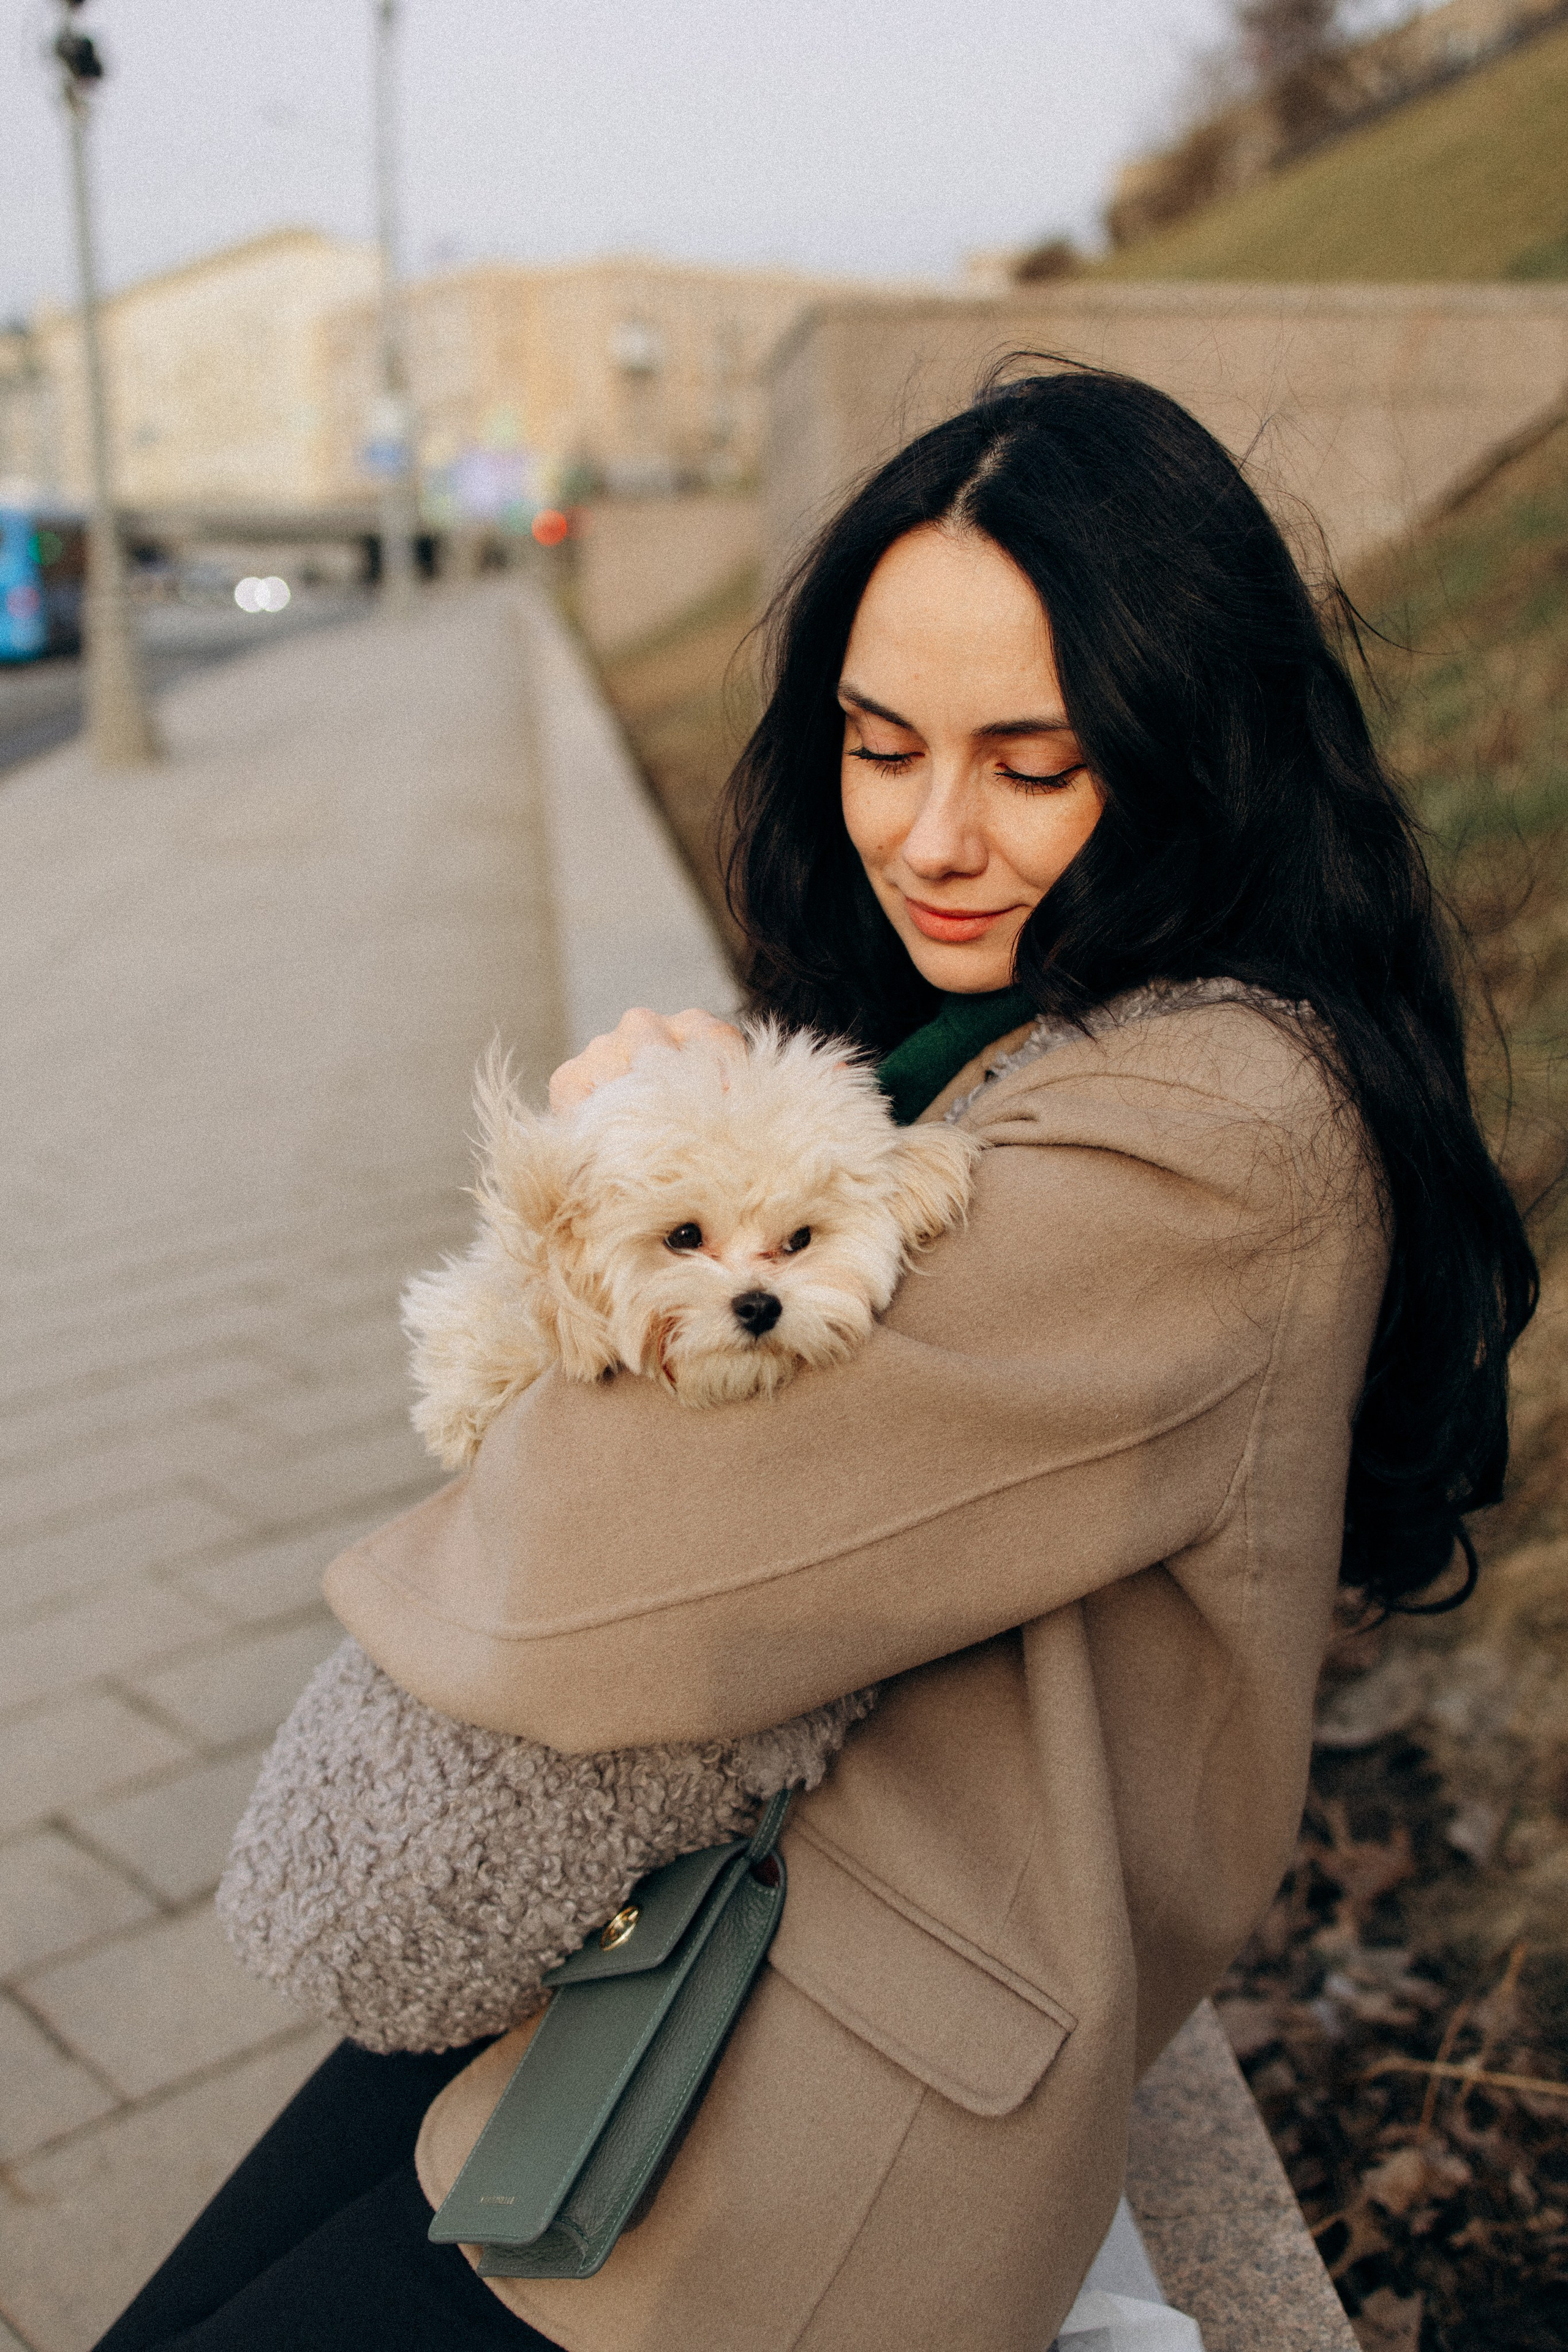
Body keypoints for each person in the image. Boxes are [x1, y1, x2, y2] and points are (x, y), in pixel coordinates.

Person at [96, 366, 1536, 2352]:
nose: (932, 838)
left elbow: (633, 1539)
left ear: (1199, 750)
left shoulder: (1212, 1124)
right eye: (879, 746)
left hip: (837, 2110)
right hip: (707, 1935)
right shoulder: (1001, 1045)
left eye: (1034, 766)